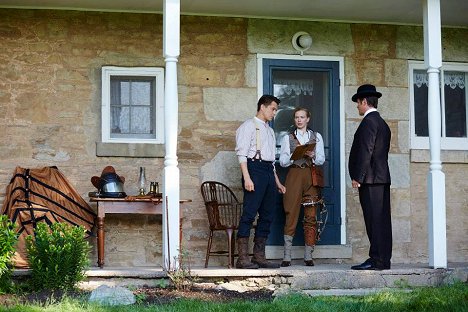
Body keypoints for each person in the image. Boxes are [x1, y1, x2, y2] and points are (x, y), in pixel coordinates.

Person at [235, 94, 286, 269]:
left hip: (268, 172)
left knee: (267, 214)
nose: (274, 113)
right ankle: (242, 258)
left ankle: (259, 256)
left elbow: (272, 162)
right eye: (273, 109)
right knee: (249, 213)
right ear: (262, 107)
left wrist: (277, 183)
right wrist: (247, 177)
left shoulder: (270, 131)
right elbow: (241, 155)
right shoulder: (248, 126)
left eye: (276, 110)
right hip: (254, 169)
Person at [348, 84, 392, 270]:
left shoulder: (369, 122)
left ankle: (377, 260)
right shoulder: (381, 122)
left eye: (358, 103)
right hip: (380, 178)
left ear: (364, 101)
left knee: (374, 220)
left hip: (371, 179)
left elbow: (366, 151)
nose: (357, 106)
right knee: (381, 220)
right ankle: (383, 259)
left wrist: (358, 176)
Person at [279, 107, 325, 267]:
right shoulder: (288, 138)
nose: (299, 120)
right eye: (297, 117)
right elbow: (282, 162)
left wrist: (313, 156)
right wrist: (295, 156)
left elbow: (321, 159)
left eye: (302, 117)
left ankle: (308, 255)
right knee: (290, 213)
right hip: (294, 175)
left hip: (310, 176)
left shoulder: (316, 136)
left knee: (311, 215)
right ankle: (286, 256)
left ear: (308, 119)